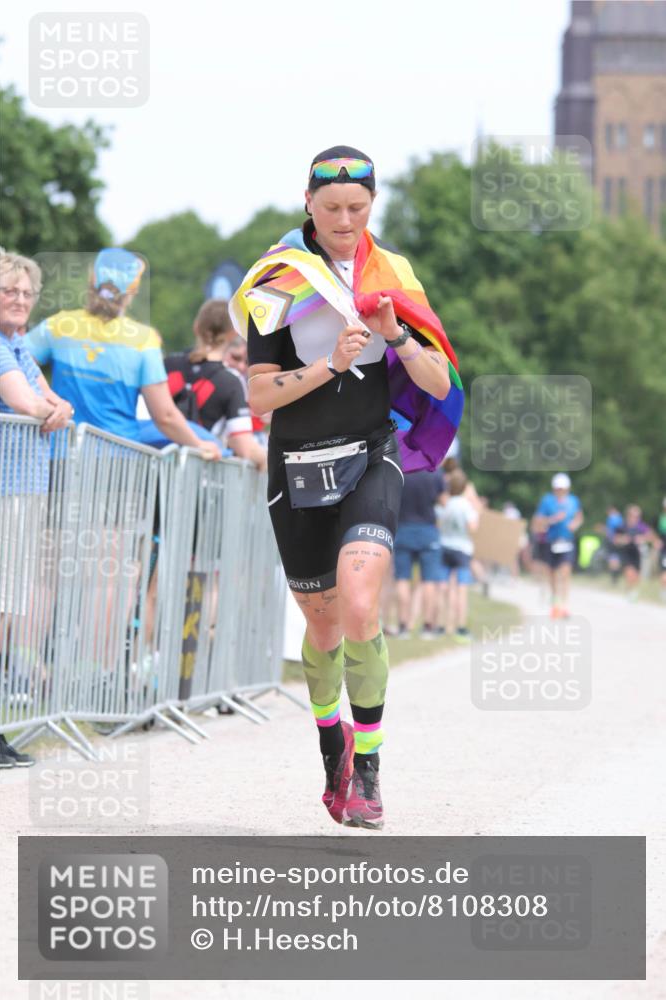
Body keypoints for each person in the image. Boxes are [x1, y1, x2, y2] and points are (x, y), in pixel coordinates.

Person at [232, 145, 463, 830]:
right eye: (331, 207)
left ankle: (368, 769)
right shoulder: (277, 280)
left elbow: (441, 386)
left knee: (362, 606)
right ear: (307, 202)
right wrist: (328, 367)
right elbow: (260, 395)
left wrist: (399, 339)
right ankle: (331, 742)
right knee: (325, 627)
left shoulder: (394, 274)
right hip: (297, 469)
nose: (344, 220)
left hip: (371, 457)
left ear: (372, 206)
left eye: (357, 209)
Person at [24, 248, 220, 461]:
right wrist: (199, 444)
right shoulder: (144, 340)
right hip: (118, 464)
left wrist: (44, 400)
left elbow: (15, 363)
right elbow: (165, 416)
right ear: (132, 291)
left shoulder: (60, 325)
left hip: (60, 454)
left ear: (92, 281)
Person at [0, 249, 73, 768]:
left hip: (22, 489)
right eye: (9, 290)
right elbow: (29, 405)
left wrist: (54, 406)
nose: (21, 299)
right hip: (6, 490)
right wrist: (51, 407)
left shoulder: (18, 345)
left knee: (7, 610)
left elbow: (55, 402)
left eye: (27, 292)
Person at [164, 301, 266, 470]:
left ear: (196, 327)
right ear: (233, 334)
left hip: (157, 467)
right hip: (199, 475)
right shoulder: (230, 381)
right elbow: (243, 445)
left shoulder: (168, 364)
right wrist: (265, 459)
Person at [393, 466, 447, 639]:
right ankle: (428, 627)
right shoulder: (435, 472)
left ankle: (403, 627)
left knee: (402, 579)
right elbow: (444, 501)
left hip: (403, 529)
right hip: (427, 530)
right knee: (429, 580)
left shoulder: (401, 471)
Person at [534, 472, 584, 618]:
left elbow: (579, 517)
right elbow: (538, 521)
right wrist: (553, 519)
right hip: (551, 541)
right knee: (552, 573)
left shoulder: (574, 501)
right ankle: (555, 601)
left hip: (567, 541)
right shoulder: (547, 501)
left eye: (563, 488)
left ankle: (564, 605)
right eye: (558, 488)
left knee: (565, 572)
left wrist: (574, 525)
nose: (560, 491)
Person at [437, 469, 479, 642]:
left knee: (443, 587)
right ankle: (460, 626)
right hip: (462, 548)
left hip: (445, 546)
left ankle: (442, 624)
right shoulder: (465, 505)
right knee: (461, 588)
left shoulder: (446, 504)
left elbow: (439, 524)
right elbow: (472, 528)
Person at [612, 504, 653, 600]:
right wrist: (623, 539)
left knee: (636, 575)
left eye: (637, 516)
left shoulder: (641, 527)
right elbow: (615, 539)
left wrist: (642, 538)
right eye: (633, 515)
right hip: (626, 552)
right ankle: (629, 592)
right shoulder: (622, 526)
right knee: (630, 572)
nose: (635, 518)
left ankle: (632, 590)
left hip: (637, 553)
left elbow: (650, 536)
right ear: (628, 515)